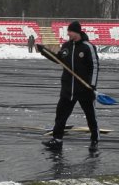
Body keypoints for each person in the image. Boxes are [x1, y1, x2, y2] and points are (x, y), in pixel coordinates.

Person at [37, 21, 99, 152]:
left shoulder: (88, 47)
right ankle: (57, 140)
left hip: (84, 89)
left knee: (90, 116)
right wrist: (44, 52)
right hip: (67, 89)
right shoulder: (66, 46)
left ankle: (94, 139)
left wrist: (92, 86)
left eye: (70, 31)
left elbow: (95, 67)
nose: (67, 34)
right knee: (61, 115)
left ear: (76, 32)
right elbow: (58, 59)